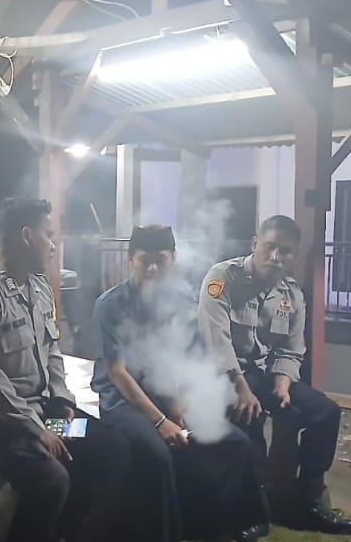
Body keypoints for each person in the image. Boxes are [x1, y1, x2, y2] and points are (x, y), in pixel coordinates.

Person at [0, 197, 130, 542]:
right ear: (25, 235)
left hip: (42, 415)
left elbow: (52, 352)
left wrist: (62, 401)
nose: (53, 244)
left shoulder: (39, 287)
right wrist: (37, 429)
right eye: (49, 235)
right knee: (50, 478)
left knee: (109, 446)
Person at [92, 225, 270, 542]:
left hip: (167, 397)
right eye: (144, 260)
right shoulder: (111, 304)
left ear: (172, 259)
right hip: (123, 401)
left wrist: (181, 404)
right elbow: (117, 372)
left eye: (160, 260)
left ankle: (229, 527)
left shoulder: (182, 301)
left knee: (234, 442)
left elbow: (192, 359)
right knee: (157, 454)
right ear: (131, 259)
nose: (152, 269)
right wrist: (161, 421)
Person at [199, 215, 351, 535]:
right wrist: (241, 388)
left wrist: (283, 384)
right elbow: (216, 344)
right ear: (254, 244)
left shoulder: (292, 294)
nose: (275, 256)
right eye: (269, 247)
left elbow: (291, 349)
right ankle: (252, 512)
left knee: (325, 411)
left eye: (285, 251)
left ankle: (309, 502)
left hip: (263, 375)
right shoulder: (222, 278)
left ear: (293, 255)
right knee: (250, 415)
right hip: (221, 375)